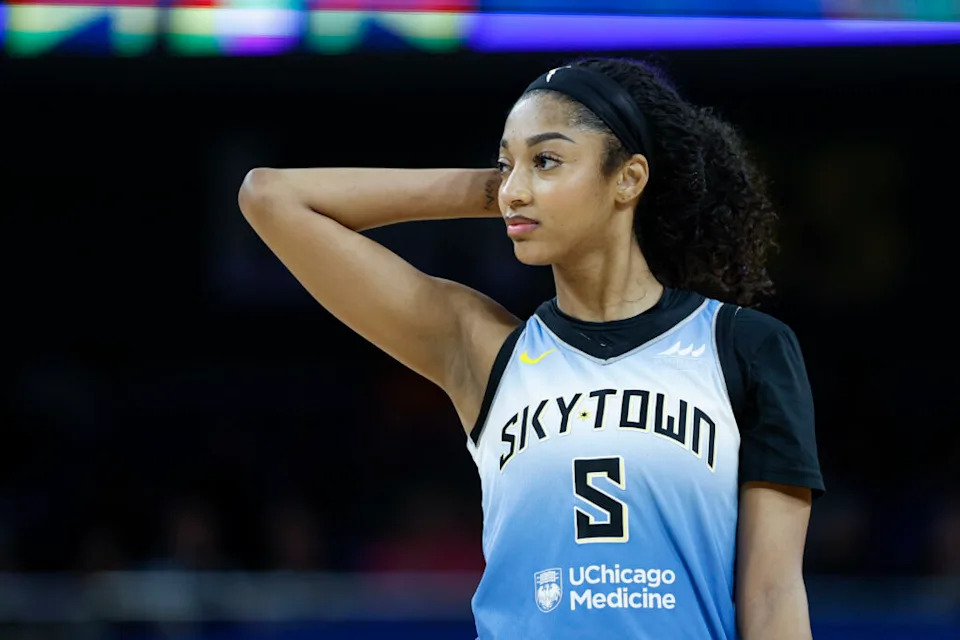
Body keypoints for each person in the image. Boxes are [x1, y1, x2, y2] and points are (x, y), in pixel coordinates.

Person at [237, 56, 824, 639]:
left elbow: (772, 596)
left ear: (629, 178)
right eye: (505, 165)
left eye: (546, 160)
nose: (514, 190)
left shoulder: (743, 347)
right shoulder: (482, 348)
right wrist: (500, 190)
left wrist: (526, 189)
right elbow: (270, 197)